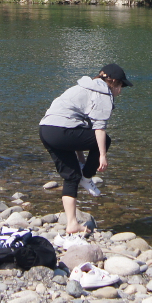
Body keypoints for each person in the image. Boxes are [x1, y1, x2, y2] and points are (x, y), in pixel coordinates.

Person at [39, 63, 131, 236]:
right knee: (105, 140)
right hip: (61, 130)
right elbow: (99, 129)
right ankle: (87, 177)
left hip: (46, 129)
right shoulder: (103, 94)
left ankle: (72, 224)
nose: (121, 91)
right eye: (120, 86)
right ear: (113, 82)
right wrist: (102, 156)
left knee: (71, 176)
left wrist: (81, 161)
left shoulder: (83, 87)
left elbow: (77, 129)